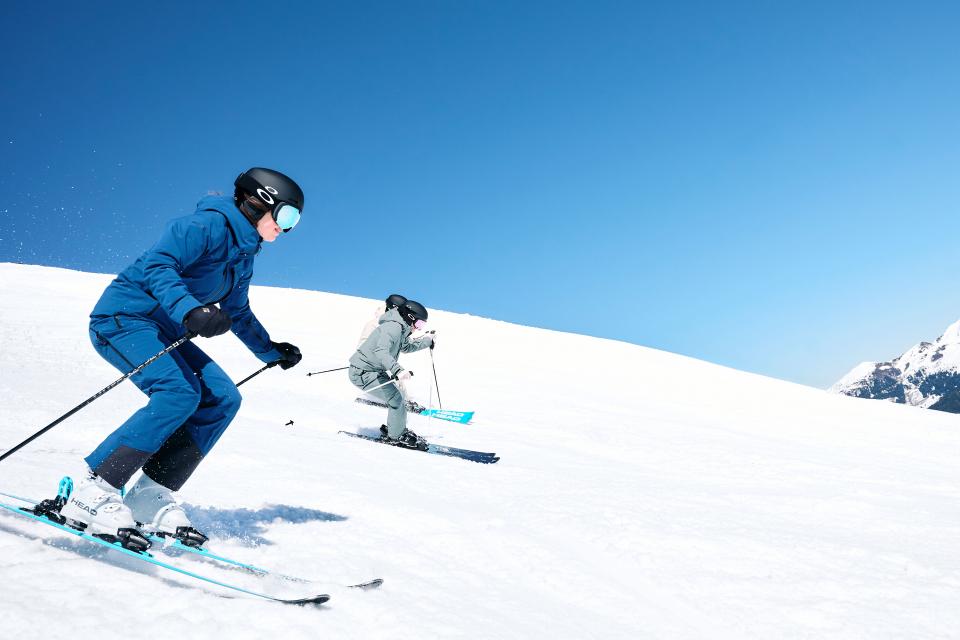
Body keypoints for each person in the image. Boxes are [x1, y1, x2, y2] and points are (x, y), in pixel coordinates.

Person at [56, 167, 305, 550]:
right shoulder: (205, 226)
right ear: (258, 203)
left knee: (223, 398)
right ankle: (95, 489)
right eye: (286, 216)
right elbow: (159, 264)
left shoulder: (243, 255)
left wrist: (271, 350)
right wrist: (190, 309)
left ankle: (148, 494)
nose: (286, 229)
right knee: (178, 392)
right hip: (124, 318)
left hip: (164, 330)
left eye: (294, 222)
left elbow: (237, 312)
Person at [348, 300, 436, 449]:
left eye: (422, 325)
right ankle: (396, 436)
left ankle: (396, 431)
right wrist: (398, 370)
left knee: (398, 396)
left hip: (374, 371)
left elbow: (406, 347)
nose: (419, 328)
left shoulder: (400, 327)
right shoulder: (393, 327)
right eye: (419, 324)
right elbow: (381, 351)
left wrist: (427, 341)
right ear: (410, 317)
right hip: (362, 372)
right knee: (396, 398)